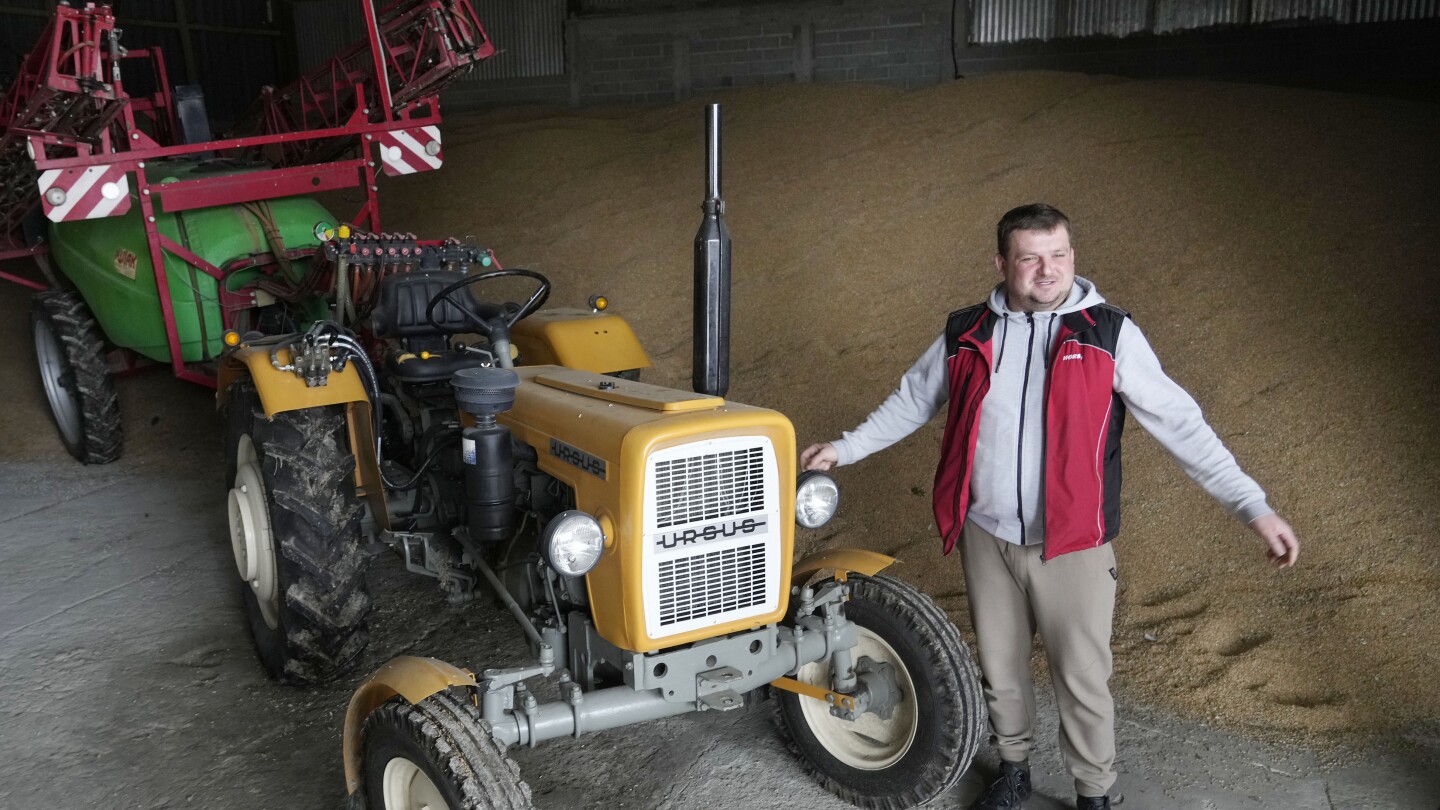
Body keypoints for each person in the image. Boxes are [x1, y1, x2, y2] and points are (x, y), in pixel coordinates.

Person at [799, 203, 1299, 810]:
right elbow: (913, 400)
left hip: (1072, 543)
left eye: (1058, 254)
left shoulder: (1109, 334)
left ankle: (1096, 792)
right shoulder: (967, 331)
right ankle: (1014, 770)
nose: (1046, 270)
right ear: (1002, 262)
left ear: (1073, 257)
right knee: (1000, 668)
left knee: (1082, 678)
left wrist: (1254, 507)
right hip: (987, 534)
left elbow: (1182, 426)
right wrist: (845, 447)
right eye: (1030, 257)